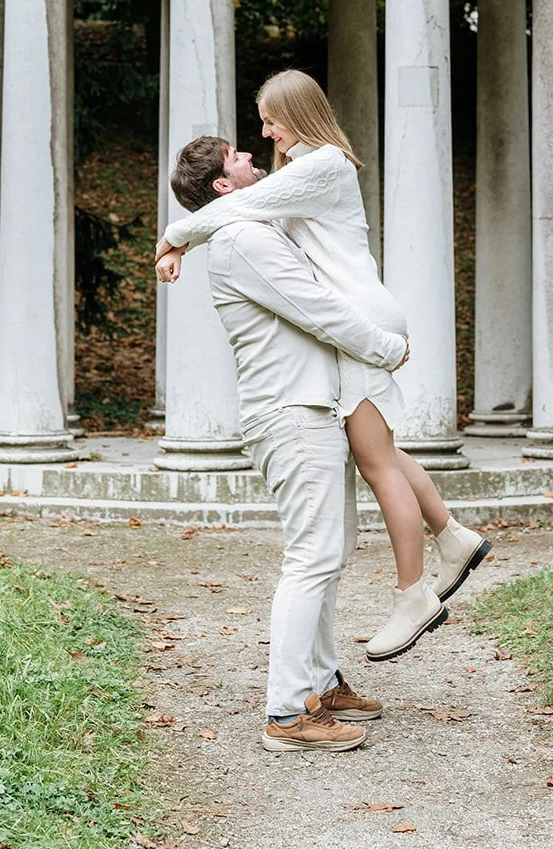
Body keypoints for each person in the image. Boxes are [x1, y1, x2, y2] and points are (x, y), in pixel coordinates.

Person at [157, 69, 489, 661]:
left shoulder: (322, 165)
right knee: (383, 453)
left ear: (299, 113)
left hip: (358, 318)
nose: (264, 132)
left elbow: (239, 206)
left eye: (270, 119)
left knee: (375, 462)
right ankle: (453, 536)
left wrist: (176, 235)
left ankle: (413, 594)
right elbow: (245, 208)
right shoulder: (306, 168)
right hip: (361, 314)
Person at [167, 134, 409, 753]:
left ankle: (323, 684)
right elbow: (318, 308)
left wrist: (177, 238)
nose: (253, 156)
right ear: (223, 185)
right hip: (290, 413)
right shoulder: (244, 241)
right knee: (313, 554)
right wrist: (386, 349)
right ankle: (285, 712)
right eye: (238, 158)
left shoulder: (254, 224)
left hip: (308, 410)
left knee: (331, 548)